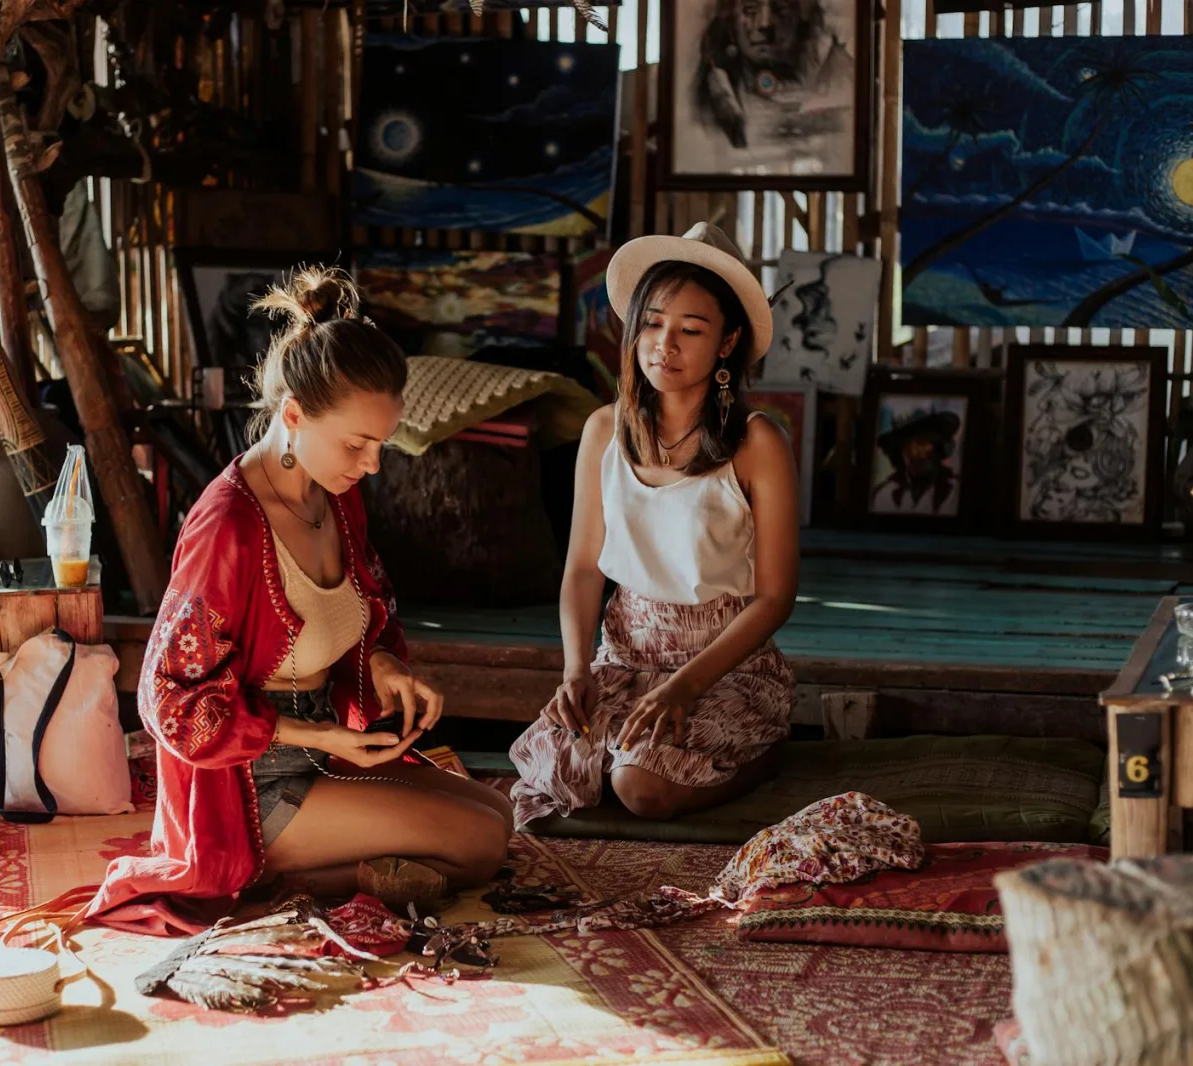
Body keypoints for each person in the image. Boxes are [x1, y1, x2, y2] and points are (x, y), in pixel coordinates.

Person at [86, 267, 512, 936]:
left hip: (324, 749)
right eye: (356, 443)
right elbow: (169, 702)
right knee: (477, 845)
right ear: (292, 415)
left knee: (498, 821)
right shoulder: (227, 524)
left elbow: (361, 616)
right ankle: (262, 875)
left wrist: (389, 670)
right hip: (251, 784)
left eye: (380, 444)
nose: (372, 465)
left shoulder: (335, 493)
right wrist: (315, 733)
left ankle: (331, 870)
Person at [509, 223, 799, 827]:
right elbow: (585, 568)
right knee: (560, 766)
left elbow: (775, 598)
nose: (664, 344)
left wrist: (685, 687)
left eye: (691, 330)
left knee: (641, 788)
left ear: (727, 344)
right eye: (653, 323)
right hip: (625, 654)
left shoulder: (756, 442)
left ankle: (766, 757)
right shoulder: (601, 432)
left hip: (725, 665)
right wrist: (576, 671)